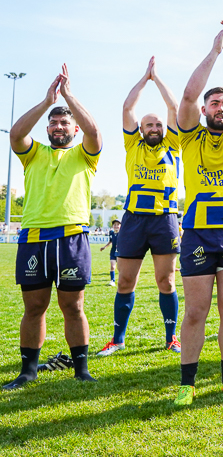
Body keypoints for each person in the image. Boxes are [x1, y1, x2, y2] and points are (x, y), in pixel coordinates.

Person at [173, 20, 223, 405]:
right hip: (198, 234)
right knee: (195, 311)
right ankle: (187, 384)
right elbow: (188, 96)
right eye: (215, 104)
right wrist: (213, 51)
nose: (221, 108)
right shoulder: (190, 137)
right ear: (205, 109)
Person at [4, 65, 102, 390]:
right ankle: (28, 371)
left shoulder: (85, 155)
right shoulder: (33, 154)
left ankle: (81, 369)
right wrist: (47, 102)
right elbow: (16, 134)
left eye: (64, 122)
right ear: (47, 128)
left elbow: (94, 132)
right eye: (54, 122)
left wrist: (69, 97)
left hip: (71, 239)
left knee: (73, 307)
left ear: (74, 129)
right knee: (34, 308)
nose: (59, 126)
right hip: (33, 239)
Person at [97, 57, 183, 357]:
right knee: (124, 281)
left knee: (166, 281)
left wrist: (158, 80)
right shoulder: (132, 145)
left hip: (165, 220)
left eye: (158, 124)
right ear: (141, 129)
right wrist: (145, 79)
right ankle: (118, 339)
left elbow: (174, 108)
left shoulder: (173, 145)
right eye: (150, 124)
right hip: (134, 220)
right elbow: (127, 108)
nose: (155, 128)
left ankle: (171, 338)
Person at [100, 219, 121, 287]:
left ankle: (122, 280)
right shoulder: (111, 233)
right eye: (114, 225)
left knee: (120, 268)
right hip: (113, 252)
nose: (116, 226)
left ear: (120, 226)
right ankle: (112, 280)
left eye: (118, 225)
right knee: (112, 266)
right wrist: (104, 247)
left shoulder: (122, 233)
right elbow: (110, 241)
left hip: (120, 252)